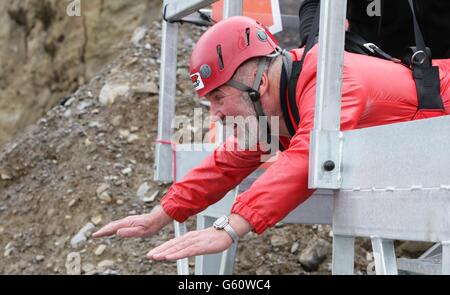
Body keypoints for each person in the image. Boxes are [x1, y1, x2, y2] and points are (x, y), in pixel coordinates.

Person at [93, 16, 450, 262]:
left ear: (257, 84)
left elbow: (307, 157)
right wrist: (159, 215)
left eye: (218, 98)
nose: (214, 113)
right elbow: (226, 163)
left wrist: (230, 228)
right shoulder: (274, 102)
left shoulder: (332, 81)